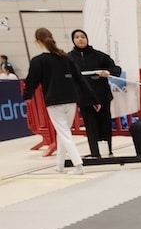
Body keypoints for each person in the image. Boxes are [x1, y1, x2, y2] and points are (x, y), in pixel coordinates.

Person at [21, 28, 99, 175]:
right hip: (71, 100)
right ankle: (60, 164)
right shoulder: (66, 58)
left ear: (37, 41)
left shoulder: (38, 61)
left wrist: (27, 96)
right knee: (63, 132)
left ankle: (78, 165)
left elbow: (31, 81)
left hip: (54, 101)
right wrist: (93, 98)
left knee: (64, 133)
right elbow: (80, 79)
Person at [67, 29, 122, 158]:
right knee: (91, 126)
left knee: (105, 124)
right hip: (84, 98)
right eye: (77, 37)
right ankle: (95, 153)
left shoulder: (99, 56)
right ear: (73, 40)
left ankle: (107, 151)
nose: (80, 39)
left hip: (102, 96)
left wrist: (108, 72)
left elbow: (116, 69)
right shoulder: (69, 58)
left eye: (83, 36)